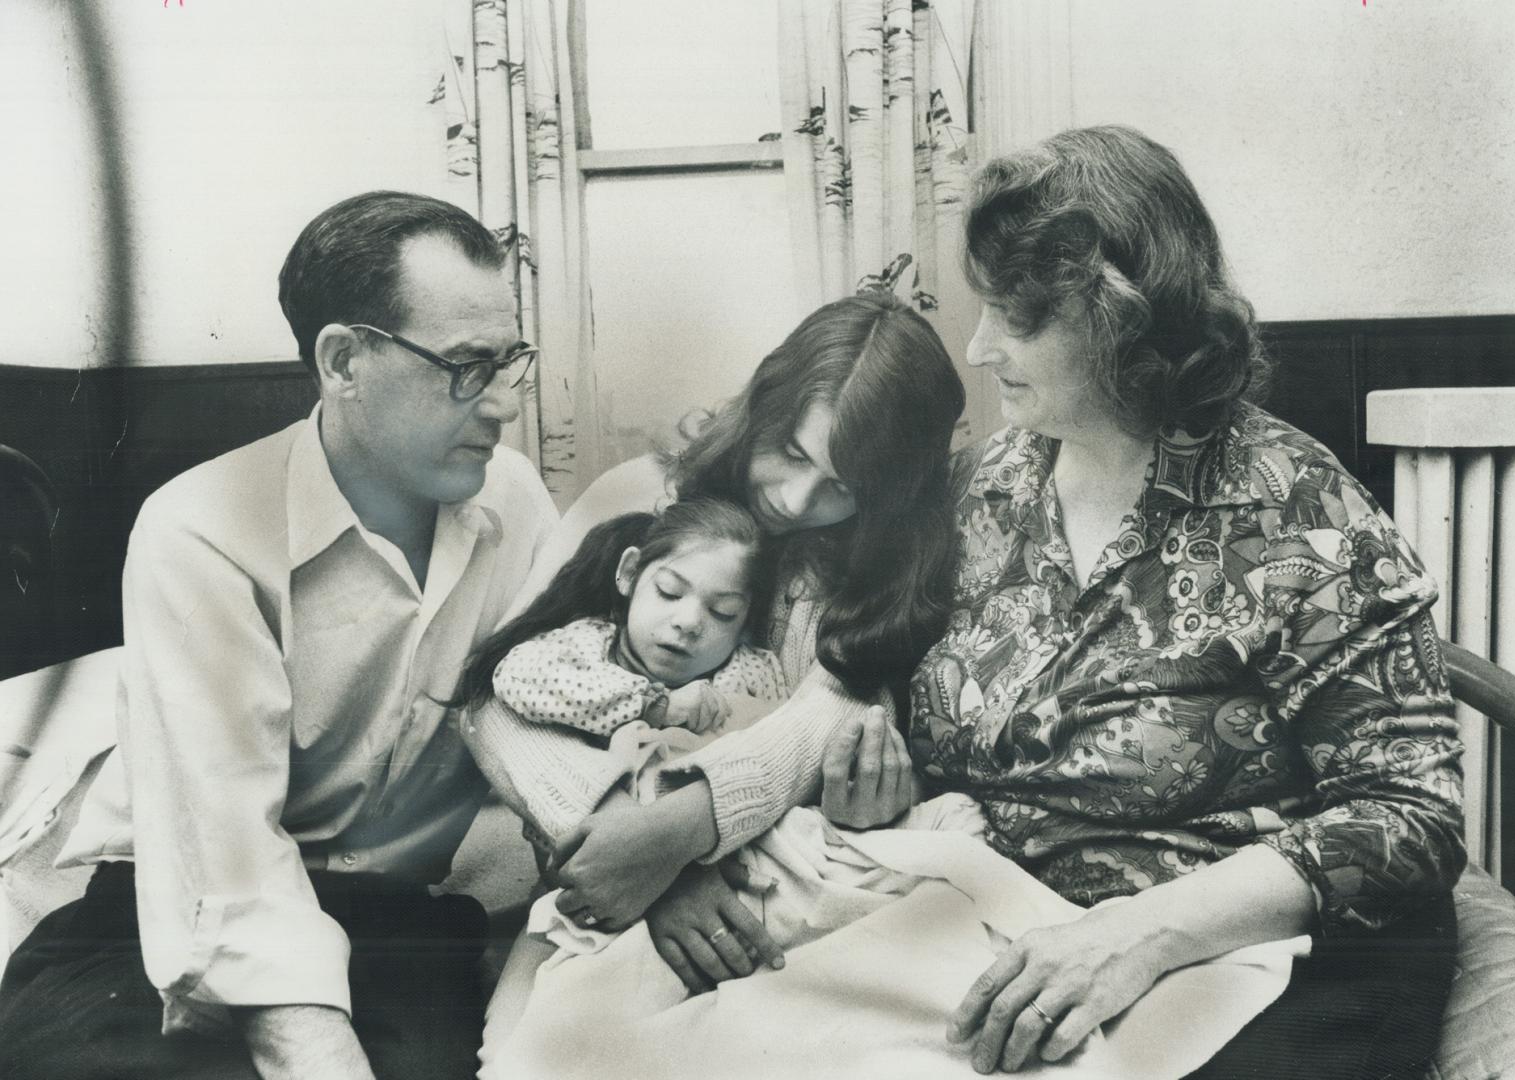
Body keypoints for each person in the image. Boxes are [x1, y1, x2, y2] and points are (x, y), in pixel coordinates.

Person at [916, 125, 1466, 1077]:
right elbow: (864, 660)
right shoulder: (988, 486)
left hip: (1231, 953)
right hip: (1005, 936)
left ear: (1123, 319)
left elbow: (1411, 814)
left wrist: (1145, 932)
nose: (977, 347)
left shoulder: (1295, 508)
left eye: (1018, 317)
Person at [0, 191, 559, 1080]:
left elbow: (549, 707)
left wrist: (659, 851)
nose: (501, 405)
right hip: (161, 912)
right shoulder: (201, 530)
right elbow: (227, 855)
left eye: (509, 360)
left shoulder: (515, 500)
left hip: (394, 918)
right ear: (343, 361)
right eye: (464, 366)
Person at [463, 289, 966, 992]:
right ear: (765, 402)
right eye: (789, 452)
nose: (795, 499)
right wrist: (631, 845)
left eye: (841, 486)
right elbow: (491, 702)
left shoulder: (856, 562)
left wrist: (679, 834)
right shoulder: (639, 496)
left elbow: (833, 709)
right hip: (592, 854)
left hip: (767, 877)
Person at [453, 497, 787, 770]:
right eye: (669, 592)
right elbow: (516, 676)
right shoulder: (589, 643)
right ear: (630, 574)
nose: (687, 622)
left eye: (722, 612)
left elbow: (782, 750)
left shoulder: (752, 672)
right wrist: (657, 705)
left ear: (746, 622)